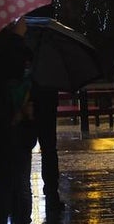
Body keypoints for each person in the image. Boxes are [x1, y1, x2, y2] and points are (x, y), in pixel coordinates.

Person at [0, 18, 36, 224]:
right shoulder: (1, 47)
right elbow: (12, 68)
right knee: (8, 182)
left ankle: (13, 216)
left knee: (6, 183)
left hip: (2, 125)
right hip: (3, 126)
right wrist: (16, 38)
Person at [31, 82, 64, 213]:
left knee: (24, 151)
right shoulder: (49, 69)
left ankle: (20, 193)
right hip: (47, 102)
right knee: (49, 149)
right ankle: (51, 189)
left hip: (30, 102)